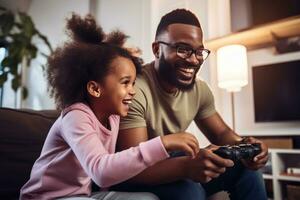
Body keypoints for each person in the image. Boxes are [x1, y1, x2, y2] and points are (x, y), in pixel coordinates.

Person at [19, 13, 201, 200]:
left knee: (148, 199)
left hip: (83, 195)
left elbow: (108, 179)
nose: (133, 91)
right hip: (46, 198)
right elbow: (100, 171)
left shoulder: (113, 118)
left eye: (133, 83)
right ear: (95, 89)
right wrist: (163, 143)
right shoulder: (75, 117)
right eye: (125, 83)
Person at [112, 9, 269, 200]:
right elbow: (132, 167)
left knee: (248, 172)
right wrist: (187, 166)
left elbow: (221, 134)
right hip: (134, 173)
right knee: (189, 190)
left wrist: (245, 146)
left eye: (199, 51)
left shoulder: (199, 89)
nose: (194, 60)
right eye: (183, 49)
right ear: (157, 49)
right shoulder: (134, 89)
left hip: (173, 162)